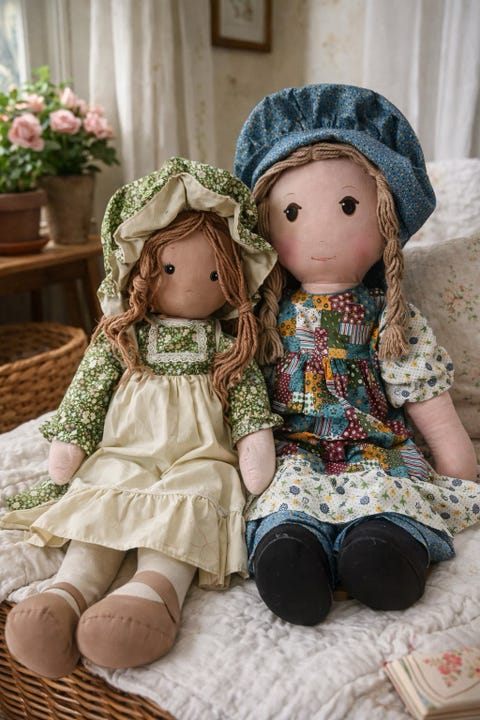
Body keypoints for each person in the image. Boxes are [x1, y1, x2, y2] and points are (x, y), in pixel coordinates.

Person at [2, 157, 280, 677]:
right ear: (138, 267)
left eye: (216, 274)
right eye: (168, 269)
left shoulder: (228, 348)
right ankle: (71, 587)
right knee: (103, 486)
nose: (192, 284)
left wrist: (254, 448)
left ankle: (153, 590)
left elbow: (248, 408)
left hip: (200, 457)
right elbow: (86, 396)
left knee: (196, 497)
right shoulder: (123, 339)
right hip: (124, 452)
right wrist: (70, 445)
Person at [233, 84, 480, 626]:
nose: (320, 231)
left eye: (348, 206)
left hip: (374, 446)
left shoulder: (387, 316)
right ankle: (292, 552)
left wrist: (455, 461)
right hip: (293, 448)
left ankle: (383, 548)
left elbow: (420, 387)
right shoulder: (267, 318)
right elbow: (243, 389)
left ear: (385, 218)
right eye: (291, 211)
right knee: (285, 501)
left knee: (388, 494)